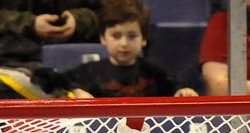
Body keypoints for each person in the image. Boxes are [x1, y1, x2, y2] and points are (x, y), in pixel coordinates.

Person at [0, 0, 103, 99]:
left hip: (74, 59)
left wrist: (78, 20)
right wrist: (29, 24)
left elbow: (106, 13)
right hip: (3, 56)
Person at [64, 0, 198, 98]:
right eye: (116, 36)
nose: (124, 43)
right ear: (103, 38)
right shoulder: (89, 71)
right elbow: (60, 85)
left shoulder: (152, 71)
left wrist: (183, 92)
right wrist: (76, 92)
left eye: (132, 36)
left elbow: (174, 87)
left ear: (144, 38)